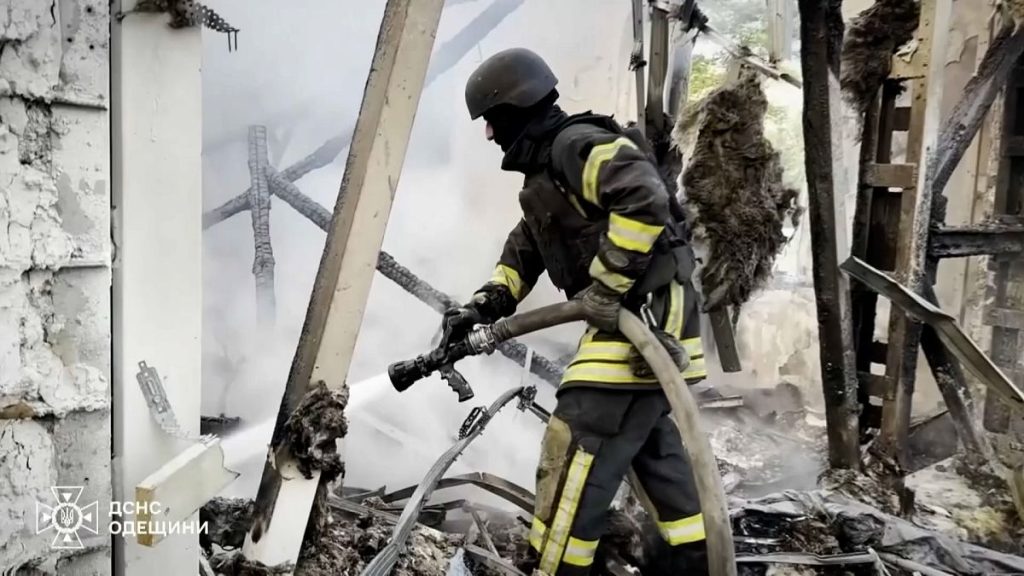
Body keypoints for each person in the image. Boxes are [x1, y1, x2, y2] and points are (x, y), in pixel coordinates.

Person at [441, 47, 709, 576]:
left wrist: (607, 289)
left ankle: (558, 568)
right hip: (631, 318)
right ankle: (694, 559)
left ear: (517, 107)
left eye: (492, 120)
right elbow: (524, 253)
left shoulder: (575, 145)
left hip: (643, 320)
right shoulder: (546, 181)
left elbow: (643, 196)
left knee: (576, 439)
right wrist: (481, 307)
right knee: (650, 453)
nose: (489, 135)